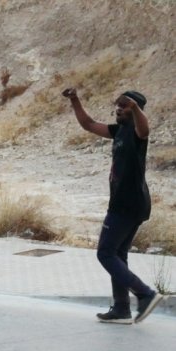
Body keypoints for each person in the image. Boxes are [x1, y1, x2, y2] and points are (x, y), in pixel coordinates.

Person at [62, 87, 162, 324]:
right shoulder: (118, 131)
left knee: (105, 253)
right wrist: (75, 99)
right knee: (118, 253)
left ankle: (145, 294)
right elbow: (88, 124)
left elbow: (145, 129)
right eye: (117, 104)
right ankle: (121, 308)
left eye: (124, 105)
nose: (119, 108)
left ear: (135, 110)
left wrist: (136, 107)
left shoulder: (138, 133)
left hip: (127, 203)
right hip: (129, 202)